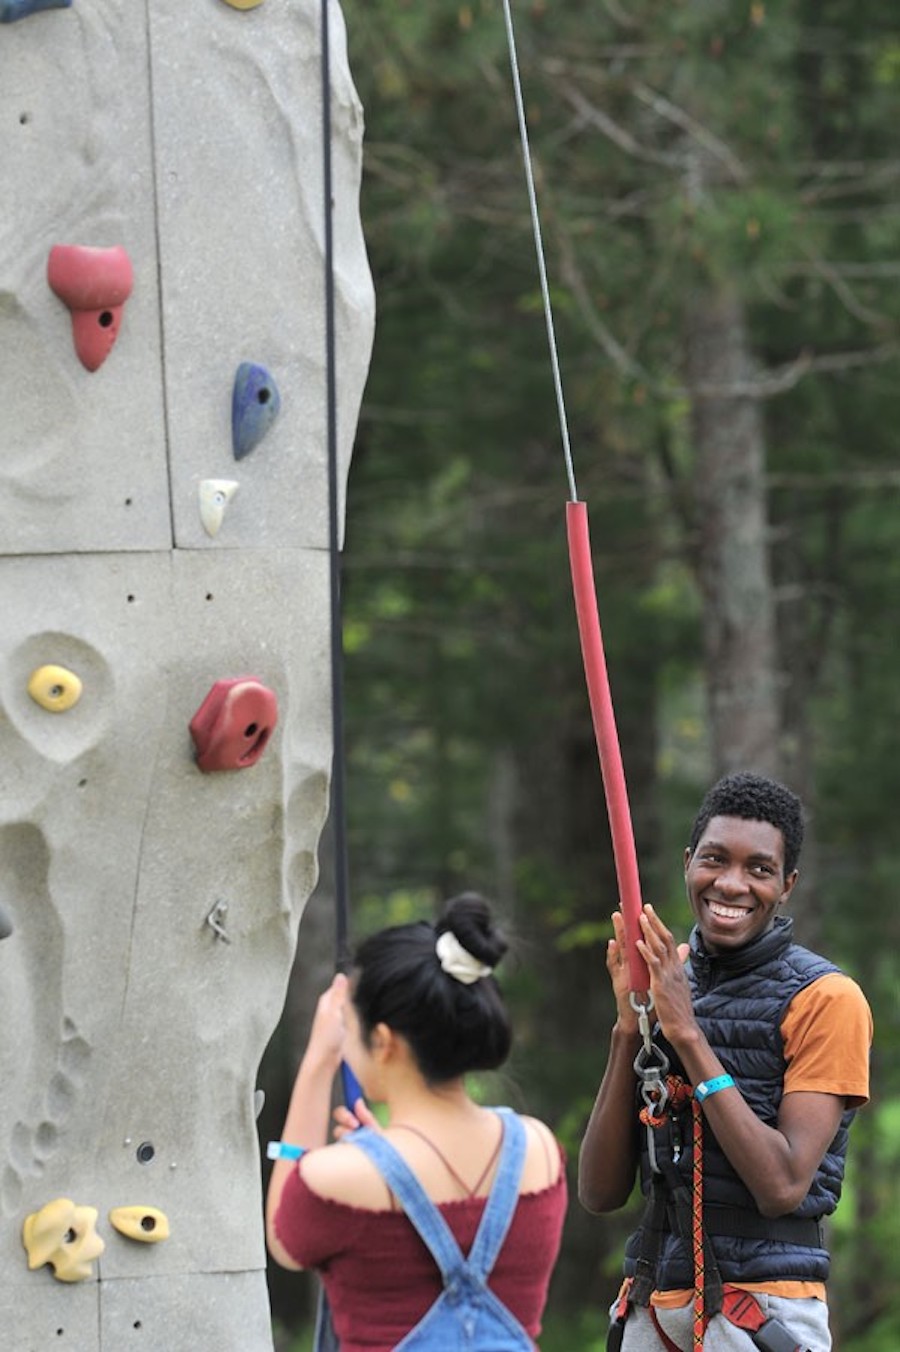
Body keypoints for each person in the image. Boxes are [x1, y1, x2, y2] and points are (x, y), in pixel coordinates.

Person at [578, 772, 872, 1352]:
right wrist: (627, 1026)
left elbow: (782, 1185)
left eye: (759, 870)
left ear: (787, 885)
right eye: (714, 860)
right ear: (689, 863)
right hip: (653, 1306)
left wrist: (686, 1032)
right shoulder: (667, 986)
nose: (731, 884)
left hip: (763, 1310)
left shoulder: (827, 1000)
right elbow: (600, 1191)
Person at [266, 892, 567, 1351]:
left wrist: (317, 1063)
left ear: (383, 1041)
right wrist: (381, 1153)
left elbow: (284, 1239)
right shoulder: (538, 1148)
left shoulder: (335, 1177)